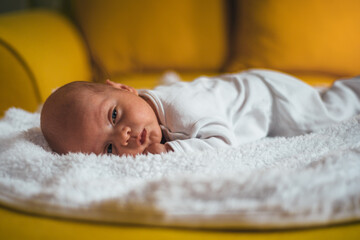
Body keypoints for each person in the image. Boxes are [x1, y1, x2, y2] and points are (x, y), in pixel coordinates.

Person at [40, 69, 360, 156]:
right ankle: (320, 91)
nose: (122, 136)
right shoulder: (149, 118)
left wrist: (167, 149)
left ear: (125, 89)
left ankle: (351, 88)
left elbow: (222, 142)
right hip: (250, 86)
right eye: (108, 149)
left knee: (329, 116)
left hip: (273, 99)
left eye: (113, 116)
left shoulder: (182, 107)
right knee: (322, 101)